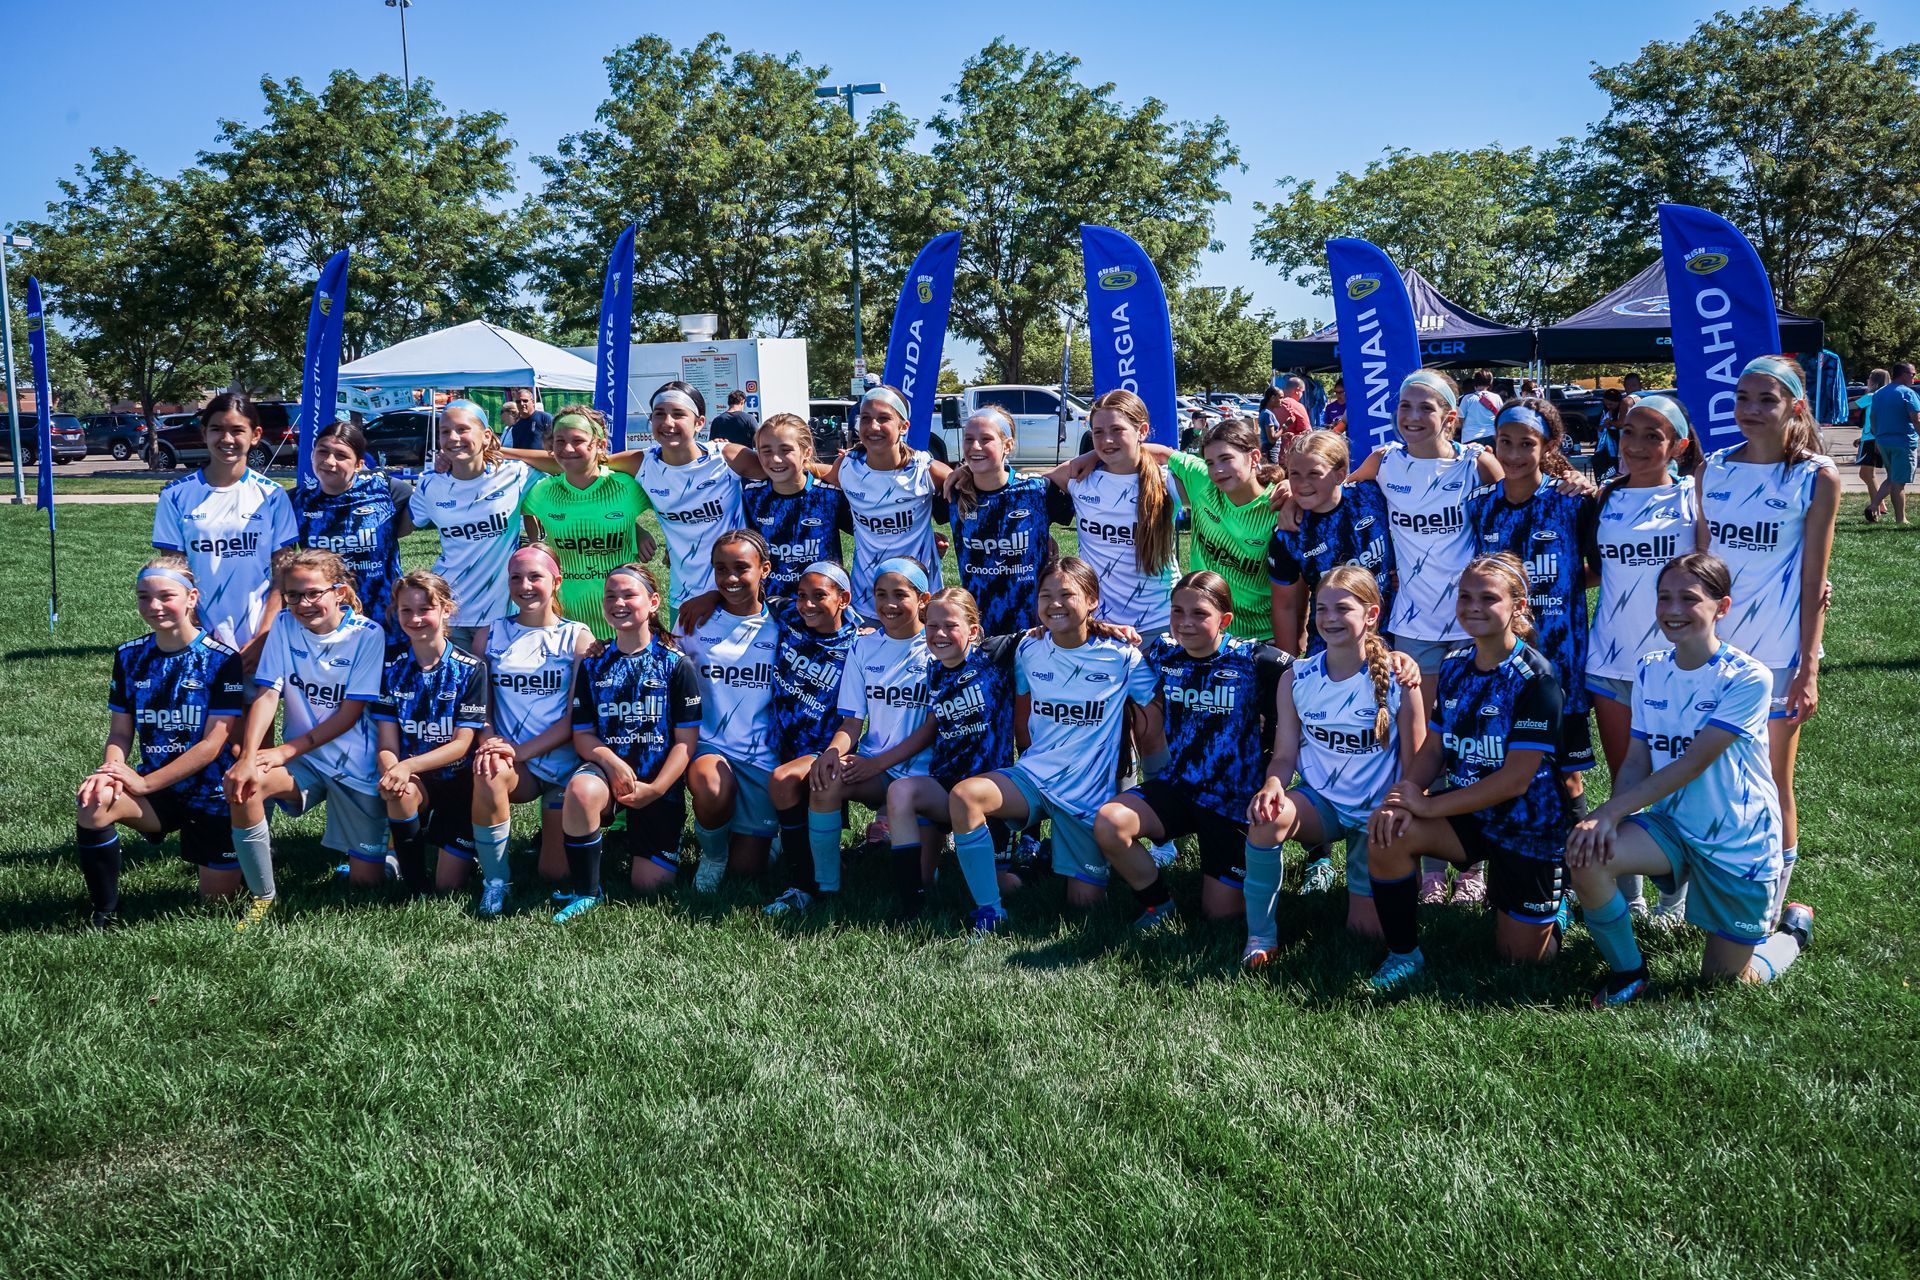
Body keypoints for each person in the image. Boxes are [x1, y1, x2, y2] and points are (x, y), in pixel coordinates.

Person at [1568, 552, 1813, 1008]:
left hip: (1737, 841)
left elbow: (1690, 765)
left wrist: (1608, 811)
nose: (1672, 610)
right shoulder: (1650, 667)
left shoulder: (1748, 677)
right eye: (1664, 598)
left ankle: (1792, 935)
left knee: (1723, 983)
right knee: (1586, 854)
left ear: (1722, 607)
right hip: (1674, 828)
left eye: (1688, 598)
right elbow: (1638, 759)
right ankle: (1629, 972)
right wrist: (1610, 825)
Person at [1326, 370, 1503, 906]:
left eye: (1425, 408)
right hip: (1416, 626)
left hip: (1475, 626)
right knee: (1422, 746)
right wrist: (1288, 495)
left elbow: (1523, 497)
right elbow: (1335, 496)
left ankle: (1472, 866)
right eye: (1404, 406)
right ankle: (1428, 867)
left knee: (1475, 746)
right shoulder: (1385, 462)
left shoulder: (1475, 462)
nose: (1411, 417)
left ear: (1450, 417)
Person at [1364, 554, 1571, 991]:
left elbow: (1515, 780)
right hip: (1469, 817)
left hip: (1525, 826)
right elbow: (1435, 747)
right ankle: (1404, 955)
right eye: (1465, 596)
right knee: (1386, 832)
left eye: (1488, 597)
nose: (1473, 606)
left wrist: (1429, 803)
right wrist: (1404, 795)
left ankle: (1558, 903)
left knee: (1521, 962)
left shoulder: (1537, 678)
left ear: (1518, 606)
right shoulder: (1457, 664)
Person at [1699, 356, 1839, 921]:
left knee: (1773, 776)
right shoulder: (1713, 470)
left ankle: (1773, 903)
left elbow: (1814, 579)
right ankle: (1708, 882)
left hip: (1778, 656)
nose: (1750, 411)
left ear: (1795, 407)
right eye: (1742, 399)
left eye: (1767, 400)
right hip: (1711, 654)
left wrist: (1808, 667)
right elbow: (1702, 568)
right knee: (1706, 768)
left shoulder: (1816, 476)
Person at [948, 557, 1159, 910]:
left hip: (1086, 798)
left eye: (1066, 594)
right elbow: (1020, 709)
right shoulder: (1028, 649)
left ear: (1092, 599)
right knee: (965, 796)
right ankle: (989, 911)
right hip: (1035, 778)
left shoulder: (1122, 655)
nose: (1055, 604)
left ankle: (1047, 860)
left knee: (1084, 907)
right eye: (1046, 596)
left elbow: (1154, 715)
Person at [1093, 572, 1292, 933]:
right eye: (1177, 611)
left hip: (1233, 804)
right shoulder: (1164, 653)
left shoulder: (1254, 659)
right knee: (1109, 823)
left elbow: (1311, 669)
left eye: (1199, 614)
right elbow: (1113, 656)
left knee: (1221, 918)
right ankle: (1158, 902)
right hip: (1179, 788)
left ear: (1225, 620)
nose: (1185, 622)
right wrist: (1106, 630)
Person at [1244, 567, 1425, 961]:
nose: (1328, 619)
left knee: (1365, 935)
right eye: (1321, 608)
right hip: (1321, 803)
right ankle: (1260, 939)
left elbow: (1416, 769)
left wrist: (1397, 813)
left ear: (1371, 615)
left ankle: (1388, 874)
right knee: (1265, 819)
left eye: (1342, 608)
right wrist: (1273, 785)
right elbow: (1284, 756)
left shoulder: (1398, 678)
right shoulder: (1297, 676)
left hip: (1377, 816)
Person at [74, 555, 249, 926]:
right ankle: (105, 911)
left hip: (212, 794)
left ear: (192, 598)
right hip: (156, 793)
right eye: (143, 597)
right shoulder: (128, 656)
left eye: (166, 596)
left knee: (218, 906)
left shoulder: (222, 660)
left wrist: (144, 782)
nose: (153, 606)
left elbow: (212, 745)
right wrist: (112, 770)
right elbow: (120, 732)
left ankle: (247, 856)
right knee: (94, 801)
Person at [1582, 394, 1703, 918]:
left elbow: (1723, 565)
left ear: (1678, 444)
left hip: (1680, 667)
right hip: (1610, 664)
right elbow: (1591, 569)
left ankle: (1674, 898)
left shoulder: (1696, 498)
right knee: (1624, 781)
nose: (1636, 446)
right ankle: (1625, 893)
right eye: (1629, 433)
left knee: (1678, 783)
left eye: (1653, 436)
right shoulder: (1603, 497)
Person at [223, 549, 389, 929]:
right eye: (293, 594)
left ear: (340, 592)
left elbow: (349, 714)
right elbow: (267, 692)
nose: (303, 603)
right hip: (305, 761)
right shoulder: (283, 624)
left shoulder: (368, 634)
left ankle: (387, 852)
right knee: (243, 784)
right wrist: (250, 756)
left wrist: (284, 750)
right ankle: (263, 896)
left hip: (356, 766)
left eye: (313, 593)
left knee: (368, 885)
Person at [1466, 399, 1599, 806]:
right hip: (1500, 660)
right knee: (1500, 763)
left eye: (1527, 444)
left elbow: (1598, 569)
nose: (1513, 454)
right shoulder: (1480, 505)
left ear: (1550, 445)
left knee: (1566, 775)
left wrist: (1560, 588)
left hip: (1560, 659)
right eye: (1505, 442)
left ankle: (1573, 861)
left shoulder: (1571, 501)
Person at [559, 563, 703, 918]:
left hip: (658, 782)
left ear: (653, 602)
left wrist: (655, 789)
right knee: (580, 789)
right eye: (611, 596)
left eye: (629, 595)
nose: (618, 602)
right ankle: (587, 890)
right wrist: (611, 762)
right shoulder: (593, 663)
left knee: (649, 887)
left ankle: (649, 836)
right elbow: (582, 734)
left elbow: (685, 742)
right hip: (609, 776)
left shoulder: (676, 664)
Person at [809, 559, 939, 920]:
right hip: (874, 769)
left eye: (900, 594)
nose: (889, 604)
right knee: (825, 781)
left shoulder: (936, 646)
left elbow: (932, 727)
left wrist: (876, 764)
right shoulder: (863, 647)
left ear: (923, 598)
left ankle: (924, 844)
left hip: (924, 776)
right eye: (881, 594)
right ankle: (825, 886)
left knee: (924, 879)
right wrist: (832, 752)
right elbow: (852, 721)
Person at [470, 545, 596, 917]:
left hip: (561, 765)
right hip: (514, 765)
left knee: (553, 873)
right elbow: (480, 707)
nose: (525, 585)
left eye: (535, 577)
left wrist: (519, 751)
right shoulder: (490, 635)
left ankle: (562, 836)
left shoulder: (577, 637)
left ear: (556, 582)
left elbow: (574, 720)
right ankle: (495, 881)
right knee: (489, 770)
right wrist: (490, 740)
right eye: (516, 577)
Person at [151, 392, 300, 674]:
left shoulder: (272, 495)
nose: (227, 439)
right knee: (204, 717)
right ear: (204, 432)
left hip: (257, 634)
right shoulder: (176, 496)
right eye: (217, 429)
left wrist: (264, 635)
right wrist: (194, 632)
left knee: (256, 716)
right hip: (197, 635)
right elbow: (173, 575)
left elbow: (284, 573)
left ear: (255, 435)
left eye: (237, 430)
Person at [372, 570, 487, 897]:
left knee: (449, 886)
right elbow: (386, 740)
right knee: (400, 791)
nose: (416, 618)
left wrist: (407, 766)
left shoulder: (470, 668)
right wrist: (393, 769)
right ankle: (413, 882)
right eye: (406, 610)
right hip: (417, 782)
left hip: (460, 783)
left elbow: (462, 745)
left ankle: (464, 848)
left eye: (426, 609)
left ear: (446, 610)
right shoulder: (390, 667)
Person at [678, 530, 782, 892]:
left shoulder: (785, 625)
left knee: (747, 875)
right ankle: (712, 854)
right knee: (709, 784)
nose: (731, 579)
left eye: (742, 568)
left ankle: (768, 836)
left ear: (764, 569)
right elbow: (664, 664)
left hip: (762, 757)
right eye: (721, 570)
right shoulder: (695, 620)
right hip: (711, 746)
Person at [1039, 389, 1179, 633]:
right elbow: (1020, 494)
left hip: (1161, 625)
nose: (1107, 440)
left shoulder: (1167, 481)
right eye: (1098, 432)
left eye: (1117, 430)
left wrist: (1161, 452)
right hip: (1098, 625)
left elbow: (1208, 473)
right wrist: (1043, 531)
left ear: (1142, 431)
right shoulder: (1080, 478)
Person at [408, 400, 541, 654]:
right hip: (448, 613)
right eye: (445, 431)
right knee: (457, 692)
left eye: (462, 429)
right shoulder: (430, 485)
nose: (453, 438)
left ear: (487, 435)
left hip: (501, 615)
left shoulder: (514, 475)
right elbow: (399, 527)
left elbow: (563, 463)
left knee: (495, 690)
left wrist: (502, 451)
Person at [510, 406, 647, 640]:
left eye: (578, 440)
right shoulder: (542, 492)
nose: (567, 449)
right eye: (560, 441)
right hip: (567, 624)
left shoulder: (626, 487)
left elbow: (673, 509)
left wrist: (636, 528)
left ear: (600, 445)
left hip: (622, 618)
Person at [824, 384, 952, 616]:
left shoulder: (924, 470)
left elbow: (965, 483)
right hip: (868, 601)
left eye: (884, 418)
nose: (873, 426)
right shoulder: (846, 467)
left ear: (904, 426)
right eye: (865, 418)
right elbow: (818, 476)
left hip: (920, 601)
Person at [1266, 430, 1394, 656]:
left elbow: (1401, 455)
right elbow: (1285, 605)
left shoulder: (1373, 493)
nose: (1303, 483)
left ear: (1340, 474)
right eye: (1294, 474)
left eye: (1314, 473)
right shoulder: (1288, 533)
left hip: (1393, 635)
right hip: (1329, 646)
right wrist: (1287, 663)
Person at [296, 420, 414, 653]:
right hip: (327, 623)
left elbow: (406, 527)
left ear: (359, 464)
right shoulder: (297, 502)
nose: (329, 461)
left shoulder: (388, 490)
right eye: (322, 452)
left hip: (385, 621)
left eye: (341, 455)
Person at [948, 406, 1064, 634]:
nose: (975, 447)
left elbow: (1086, 469)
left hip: (1034, 630)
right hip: (978, 630)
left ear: (1008, 445)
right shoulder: (954, 493)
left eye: (986, 439)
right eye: (969, 439)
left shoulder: (1037, 491)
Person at [742, 413, 852, 598]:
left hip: (822, 608)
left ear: (806, 453)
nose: (776, 459)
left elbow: (868, 535)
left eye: (785, 450)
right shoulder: (751, 496)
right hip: (771, 608)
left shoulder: (830, 495)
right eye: (766, 451)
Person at [1865, 361, 1920, 523]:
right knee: (1899, 482)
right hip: (1903, 442)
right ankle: (1900, 519)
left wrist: (1877, 437)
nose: (1914, 378)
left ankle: (1873, 506)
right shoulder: (1907, 393)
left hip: (1883, 441)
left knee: (1892, 477)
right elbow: (1916, 419)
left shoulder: (1879, 394)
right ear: (1903, 374)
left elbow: (1872, 418)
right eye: (1913, 374)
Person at [1853, 368, 1889, 505]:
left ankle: (1878, 505)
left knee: (1866, 474)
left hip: (1870, 440)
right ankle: (1880, 505)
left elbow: (1850, 406)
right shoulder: (1884, 397)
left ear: (1875, 381)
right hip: (1875, 437)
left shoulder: (1871, 397)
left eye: (1870, 377)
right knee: (1868, 474)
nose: (1867, 380)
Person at [1457, 370, 1502, 444]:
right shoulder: (1496, 397)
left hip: (1470, 438)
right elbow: (1500, 417)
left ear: (1475, 382)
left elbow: (1460, 420)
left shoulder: (1467, 398)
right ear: (1490, 382)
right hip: (1491, 437)